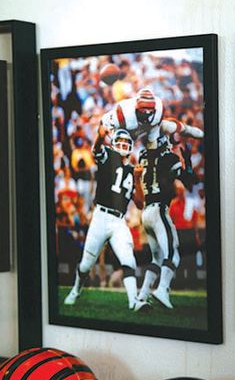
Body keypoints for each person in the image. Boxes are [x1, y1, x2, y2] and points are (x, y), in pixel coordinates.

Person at [64, 128, 140, 309]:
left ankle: (134, 302)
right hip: (101, 217)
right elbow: (96, 148)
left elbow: (140, 204)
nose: (122, 146)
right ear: (113, 144)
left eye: (126, 143)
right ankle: (75, 290)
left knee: (129, 260)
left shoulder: (133, 170)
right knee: (86, 264)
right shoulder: (109, 158)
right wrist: (100, 134)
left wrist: (137, 180)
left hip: (119, 221)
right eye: (119, 142)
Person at [135, 137, 196, 310]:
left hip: (146, 213)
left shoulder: (143, 156)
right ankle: (163, 290)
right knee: (173, 254)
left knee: (157, 259)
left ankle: (142, 295)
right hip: (159, 210)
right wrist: (187, 162)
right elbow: (188, 181)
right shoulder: (168, 158)